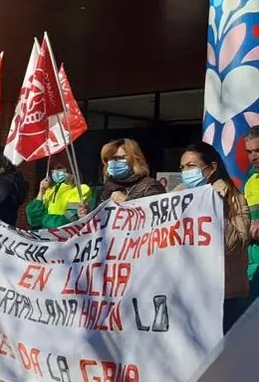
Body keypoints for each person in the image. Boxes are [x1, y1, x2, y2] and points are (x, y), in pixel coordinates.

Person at [177, 142, 250, 333]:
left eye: (191, 166)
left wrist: (216, 206)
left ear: (211, 168)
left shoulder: (234, 199)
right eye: (182, 167)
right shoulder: (176, 198)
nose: (185, 171)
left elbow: (234, 244)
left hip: (225, 296)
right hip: (187, 294)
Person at [25, 155, 93, 228]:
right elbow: (33, 219)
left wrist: (43, 220)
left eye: (59, 168)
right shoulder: (49, 190)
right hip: (45, 236)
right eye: (53, 168)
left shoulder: (82, 189)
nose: (55, 171)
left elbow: (69, 218)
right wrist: (41, 192)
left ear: (70, 168)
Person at [98, 138, 165, 203]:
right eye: (109, 158)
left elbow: (156, 212)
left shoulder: (150, 186)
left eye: (120, 158)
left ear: (135, 159)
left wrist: (127, 202)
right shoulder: (107, 188)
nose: (113, 162)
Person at [241, 127, 259, 310]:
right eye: (249, 152)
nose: (254, 157)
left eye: (258, 150)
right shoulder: (251, 180)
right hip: (252, 272)